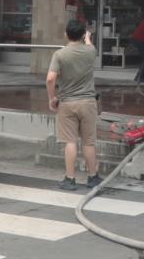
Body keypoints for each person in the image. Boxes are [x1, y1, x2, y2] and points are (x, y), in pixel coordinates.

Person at [46, 20, 100, 191]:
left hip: (67, 103)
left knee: (70, 141)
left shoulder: (60, 55)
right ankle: (92, 177)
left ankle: (70, 179)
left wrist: (52, 98)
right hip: (88, 102)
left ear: (66, 34)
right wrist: (88, 38)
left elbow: (50, 78)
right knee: (89, 142)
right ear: (83, 35)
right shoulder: (91, 51)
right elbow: (89, 45)